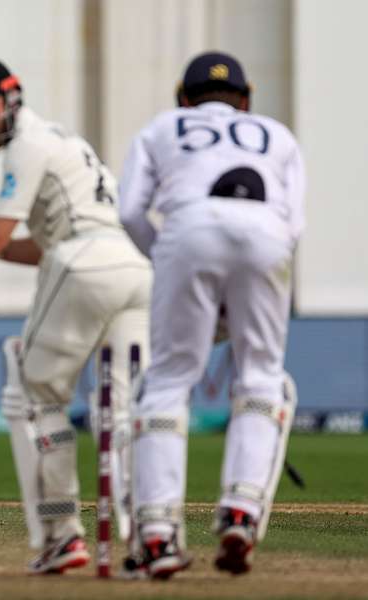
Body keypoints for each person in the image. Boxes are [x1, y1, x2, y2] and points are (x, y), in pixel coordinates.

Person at [0, 56, 152, 574]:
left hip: (84, 264)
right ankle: (149, 535)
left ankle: (60, 533)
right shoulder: (65, 141)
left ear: (10, 96)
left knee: (31, 393)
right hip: (133, 267)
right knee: (122, 410)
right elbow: (23, 244)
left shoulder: (25, 146)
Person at [118, 51, 305, 578]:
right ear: (246, 102)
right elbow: (293, 226)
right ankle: (242, 511)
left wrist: (174, 263)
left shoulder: (162, 127)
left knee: (169, 379)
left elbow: (130, 211)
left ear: (183, 98)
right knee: (262, 377)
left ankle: (156, 535)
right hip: (267, 231)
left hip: (188, 228)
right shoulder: (277, 135)